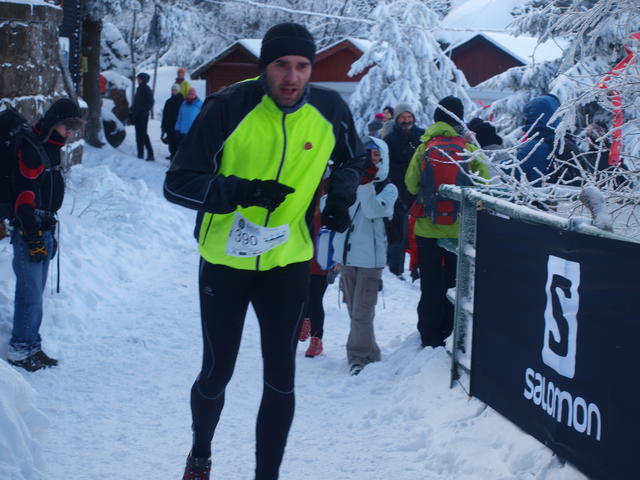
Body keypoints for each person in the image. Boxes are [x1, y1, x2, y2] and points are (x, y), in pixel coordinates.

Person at [163, 22, 364, 480]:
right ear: (264, 67)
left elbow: (353, 157)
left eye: (302, 66)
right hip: (225, 261)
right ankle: (200, 454)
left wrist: (340, 194)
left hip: (287, 261)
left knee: (281, 377)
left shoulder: (330, 109)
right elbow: (178, 182)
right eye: (281, 65)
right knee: (217, 371)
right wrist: (241, 191)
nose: (292, 77)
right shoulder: (227, 107)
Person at [405, 96, 489, 348]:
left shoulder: (425, 148)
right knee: (455, 282)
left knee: (430, 283)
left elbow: (411, 184)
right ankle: (450, 332)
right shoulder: (469, 148)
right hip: (458, 227)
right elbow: (485, 185)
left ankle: (429, 335)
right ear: (458, 118)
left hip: (426, 227)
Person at [7, 99, 83, 371]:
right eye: (67, 126)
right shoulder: (32, 149)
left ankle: (31, 345)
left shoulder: (48, 148)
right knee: (29, 295)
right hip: (31, 230)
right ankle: (20, 350)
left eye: (74, 128)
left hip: (44, 228)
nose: (70, 133)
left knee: (36, 295)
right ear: (53, 122)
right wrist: (33, 235)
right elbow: (24, 197)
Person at [332, 136, 397, 376]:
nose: (372, 160)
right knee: (355, 312)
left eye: (376, 155)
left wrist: (365, 182)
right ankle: (371, 353)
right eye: (367, 154)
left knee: (362, 312)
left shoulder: (388, 188)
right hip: (347, 257)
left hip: (371, 261)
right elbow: (331, 208)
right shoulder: (349, 181)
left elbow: (372, 210)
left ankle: (357, 358)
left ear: (384, 158)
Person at [382, 102, 423, 279]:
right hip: (397, 190)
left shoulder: (421, 136)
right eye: (403, 117)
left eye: (409, 117)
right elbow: (387, 166)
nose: (406, 120)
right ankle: (395, 268)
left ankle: (416, 268)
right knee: (397, 230)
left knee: (418, 230)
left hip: (418, 190)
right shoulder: (390, 139)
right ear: (397, 119)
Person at [130, 72, 154, 161]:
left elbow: (151, 103)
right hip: (137, 115)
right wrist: (132, 110)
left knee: (143, 135)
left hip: (143, 115)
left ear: (143, 79)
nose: (137, 80)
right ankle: (140, 154)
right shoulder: (139, 88)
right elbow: (136, 102)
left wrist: (142, 110)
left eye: (139, 78)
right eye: (137, 78)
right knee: (138, 135)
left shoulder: (146, 88)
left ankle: (150, 154)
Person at [161, 84, 183, 159]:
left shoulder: (182, 101)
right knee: (171, 143)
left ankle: (177, 158)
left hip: (178, 127)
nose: (174, 91)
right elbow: (165, 115)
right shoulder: (168, 101)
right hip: (169, 126)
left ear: (179, 91)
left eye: (175, 90)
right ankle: (172, 156)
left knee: (178, 144)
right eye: (173, 90)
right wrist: (163, 127)